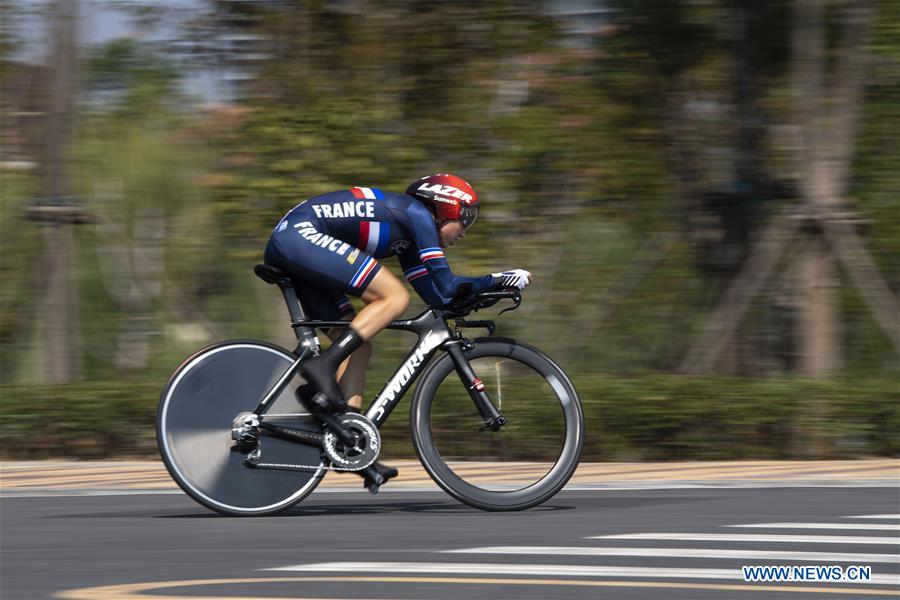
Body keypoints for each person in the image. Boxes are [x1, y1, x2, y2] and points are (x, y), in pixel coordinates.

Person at [264, 173, 532, 490]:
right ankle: (322, 366)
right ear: (446, 208)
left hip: (296, 241)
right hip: (300, 236)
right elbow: (446, 283)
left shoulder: (406, 237)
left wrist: (474, 298)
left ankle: (350, 441)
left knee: (359, 347)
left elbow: (439, 296)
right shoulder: (416, 214)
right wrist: (498, 279)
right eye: (464, 218)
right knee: (394, 297)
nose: (464, 231)